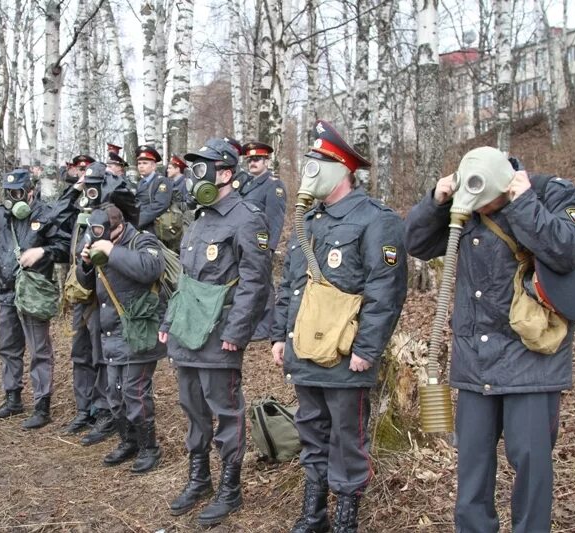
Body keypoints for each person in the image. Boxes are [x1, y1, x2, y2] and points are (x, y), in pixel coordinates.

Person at [405, 147, 575, 533]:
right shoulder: (464, 202)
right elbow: (416, 244)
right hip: (475, 359)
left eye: (490, 204)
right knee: (473, 470)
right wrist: (436, 203)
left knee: (531, 466)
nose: (482, 211)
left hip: (531, 359)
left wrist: (524, 202)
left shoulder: (551, 192)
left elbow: (568, 252)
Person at [271, 121, 407, 533]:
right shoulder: (308, 220)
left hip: (347, 355)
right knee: (311, 431)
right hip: (306, 350)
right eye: (309, 160)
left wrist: (368, 348)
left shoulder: (375, 219)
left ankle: (347, 517)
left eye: (320, 161)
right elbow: (291, 285)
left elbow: (386, 290)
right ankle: (314, 514)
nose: (311, 169)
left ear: (343, 168)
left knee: (348, 440)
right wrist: (281, 334)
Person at [161, 138, 271, 526]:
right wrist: (167, 322)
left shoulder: (246, 217)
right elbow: (185, 280)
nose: (196, 175)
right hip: (187, 331)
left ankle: (231, 489)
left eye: (204, 167)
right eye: (194, 167)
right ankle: (199, 479)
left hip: (220, 332)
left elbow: (255, 282)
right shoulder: (199, 217)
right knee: (192, 408)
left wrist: (237, 332)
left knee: (225, 411)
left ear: (224, 173)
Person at [0, 169, 77, 429]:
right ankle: (12, 398)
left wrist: (42, 251)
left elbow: (65, 247)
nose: (14, 198)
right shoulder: (2, 215)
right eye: (9, 193)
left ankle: (42, 405)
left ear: (30, 191)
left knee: (39, 350)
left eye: (18, 192)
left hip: (34, 292)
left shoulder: (45, 213)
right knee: (8, 348)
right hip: (7, 291)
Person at [76, 204, 166, 473]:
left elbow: (150, 268)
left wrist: (111, 251)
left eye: (106, 232)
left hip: (139, 330)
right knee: (114, 393)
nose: (100, 238)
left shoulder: (142, 240)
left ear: (119, 226)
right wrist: (86, 264)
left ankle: (149, 448)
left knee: (135, 393)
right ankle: (128, 441)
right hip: (111, 331)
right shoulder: (98, 242)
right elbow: (86, 284)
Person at [62, 161, 138, 445]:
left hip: (106, 293)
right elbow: (58, 218)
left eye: (97, 185)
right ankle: (86, 409)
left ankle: (105, 410)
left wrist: (107, 182)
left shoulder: (116, 207)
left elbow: (133, 205)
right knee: (80, 352)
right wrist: (76, 190)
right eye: (88, 184)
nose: (91, 190)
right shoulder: (82, 208)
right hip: (83, 288)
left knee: (103, 353)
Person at [238, 141, 287, 341]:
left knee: (264, 285)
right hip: (244, 242)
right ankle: (252, 323)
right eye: (250, 160)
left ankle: (266, 327)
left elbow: (275, 219)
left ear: (266, 161)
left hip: (261, 244)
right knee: (248, 282)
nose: (253, 163)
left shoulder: (274, 185)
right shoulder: (246, 185)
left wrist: (270, 247)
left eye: (257, 159)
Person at [134, 145, 172, 234]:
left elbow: (159, 205)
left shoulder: (161, 181)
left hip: (155, 228)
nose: (141, 166)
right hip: (141, 226)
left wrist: (137, 221)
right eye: (139, 163)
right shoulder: (141, 182)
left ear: (154, 166)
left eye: (145, 163)